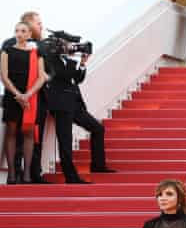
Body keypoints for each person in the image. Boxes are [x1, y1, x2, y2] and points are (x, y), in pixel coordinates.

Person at [43, 47, 113, 183]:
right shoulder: (51, 59)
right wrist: (71, 58)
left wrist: (82, 63)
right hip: (61, 106)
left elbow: (77, 78)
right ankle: (71, 177)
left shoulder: (68, 60)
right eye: (67, 44)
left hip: (75, 104)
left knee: (98, 128)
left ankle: (98, 165)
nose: (71, 47)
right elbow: (62, 74)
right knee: (65, 141)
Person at [1, 22, 46, 184]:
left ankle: (26, 174)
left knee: (28, 134)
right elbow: (4, 77)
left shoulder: (36, 53)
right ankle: (12, 174)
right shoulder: (6, 51)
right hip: (13, 97)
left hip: (30, 98)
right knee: (11, 133)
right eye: (17, 31)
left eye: (23, 31)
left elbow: (42, 77)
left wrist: (27, 95)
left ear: (29, 34)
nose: (19, 33)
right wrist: (18, 95)